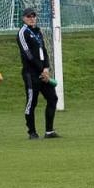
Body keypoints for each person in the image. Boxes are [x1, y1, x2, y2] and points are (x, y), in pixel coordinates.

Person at [16, 7, 60, 140]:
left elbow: (44, 51)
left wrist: (46, 68)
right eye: (29, 16)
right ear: (24, 18)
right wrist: (41, 70)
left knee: (52, 98)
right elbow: (28, 54)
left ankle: (49, 131)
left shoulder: (38, 32)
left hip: (43, 73)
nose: (31, 18)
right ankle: (32, 132)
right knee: (32, 102)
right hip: (31, 74)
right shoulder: (22, 32)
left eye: (33, 16)